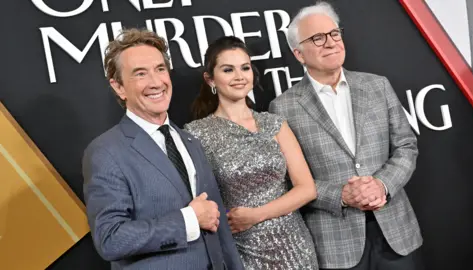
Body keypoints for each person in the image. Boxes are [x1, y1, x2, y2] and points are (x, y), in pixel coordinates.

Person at [269, 2, 423, 270]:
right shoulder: (283, 107)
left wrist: (382, 185)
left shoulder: (377, 86)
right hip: (336, 243)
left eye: (334, 34)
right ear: (299, 54)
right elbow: (288, 180)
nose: (330, 43)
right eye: (317, 38)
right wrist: (341, 195)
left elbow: (406, 146)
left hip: (396, 233)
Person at [82, 28, 243, 270]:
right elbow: (110, 239)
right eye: (140, 74)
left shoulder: (190, 141)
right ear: (119, 87)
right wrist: (188, 219)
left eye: (160, 69)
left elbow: (218, 226)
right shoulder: (105, 152)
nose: (156, 82)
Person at [184, 36, 319, 269]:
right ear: (210, 79)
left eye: (245, 68)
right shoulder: (196, 134)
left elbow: (307, 189)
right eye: (228, 69)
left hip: (295, 248)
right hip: (241, 252)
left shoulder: (274, 124)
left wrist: (257, 215)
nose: (239, 76)